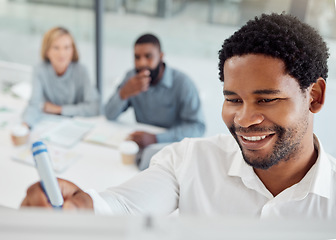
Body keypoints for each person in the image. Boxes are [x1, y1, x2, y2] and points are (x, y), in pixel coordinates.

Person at [21, 13, 336, 219]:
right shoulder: (189, 160)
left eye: (267, 100)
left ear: (315, 96)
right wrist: (81, 206)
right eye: (233, 99)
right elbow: (122, 206)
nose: (244, 118)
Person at [104, 33, 205, 170]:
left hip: (172, 149)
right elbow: (109, 114)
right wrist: (124, 93)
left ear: (161, 56)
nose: (141, 63)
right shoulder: (131, 78)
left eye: (148, 56)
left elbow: (198, 127)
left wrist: (156, 138)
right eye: (137, 57)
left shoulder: (183, 83)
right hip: (140, 148)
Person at [22, 27, 100, 128]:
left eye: (67, 47)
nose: (62, 53)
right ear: (47, 51)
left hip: (76, 126)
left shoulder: (81, 70)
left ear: (73, 50)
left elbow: (94, 108)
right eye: (56, 48)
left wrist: (59, 109)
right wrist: (25, 126)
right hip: (50, 125)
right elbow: (34, 104)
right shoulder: (40, 70)